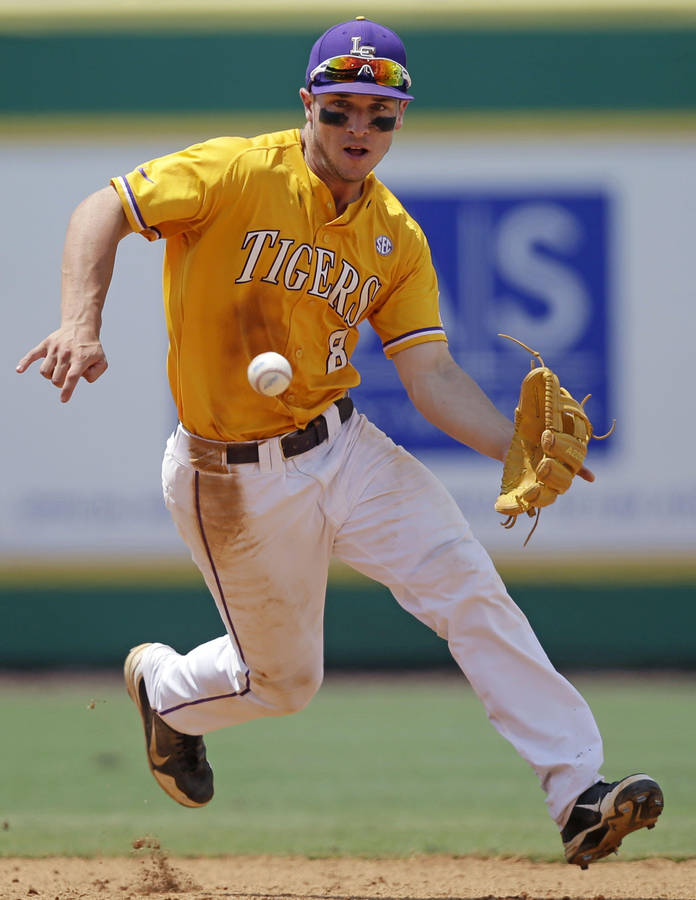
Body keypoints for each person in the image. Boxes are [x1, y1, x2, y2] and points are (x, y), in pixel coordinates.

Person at [17, 17, 662, 869]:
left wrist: (515, 447)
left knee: (468, 585)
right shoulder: (237, 172)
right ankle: (168, 695)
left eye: (379, 114)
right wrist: (79, 321)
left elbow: (432, 375)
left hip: (344, 447)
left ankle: (577, 791)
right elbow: (104, 207)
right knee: (287, 684)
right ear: (307, 105)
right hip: (230, 477)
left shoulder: (395, 236)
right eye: (341, 109)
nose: (360, 129)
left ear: (399, 119)